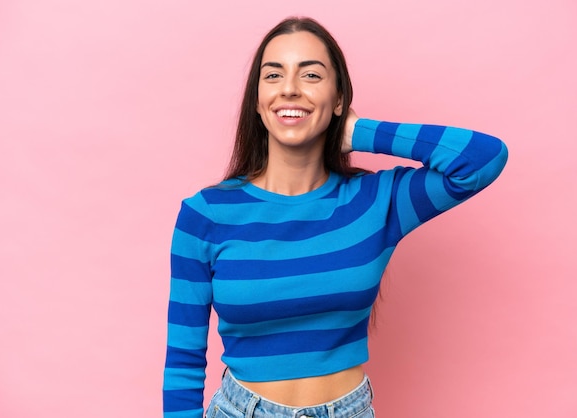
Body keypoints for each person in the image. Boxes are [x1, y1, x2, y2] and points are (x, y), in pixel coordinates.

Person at [162, 16, 508, 418]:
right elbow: (183, 365)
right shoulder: (205, 215)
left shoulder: (378, 201)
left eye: (310, 74)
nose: (289, 88)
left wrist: (359, 132)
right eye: (273, 75)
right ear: (258, 100)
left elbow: (482, 158)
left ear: (339, 98)